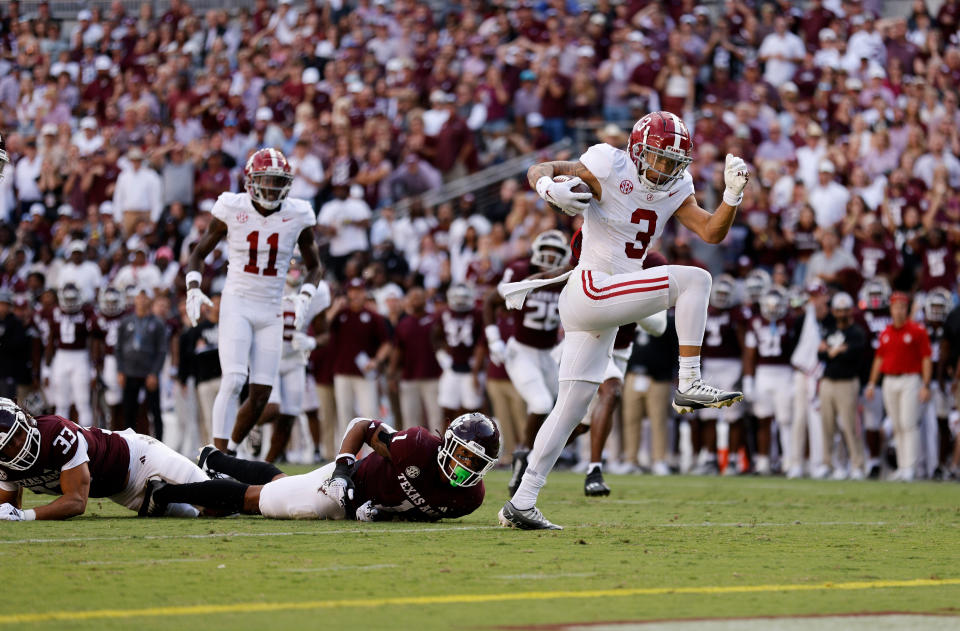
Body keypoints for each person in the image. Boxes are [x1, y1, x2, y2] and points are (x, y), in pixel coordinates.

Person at [498, 111, 748, 530]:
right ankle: (687, 380)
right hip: (591, 286)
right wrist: (548, 187)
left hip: (608, 302)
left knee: (569, 410)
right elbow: (539, 168)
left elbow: (710, 232)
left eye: (674, 162)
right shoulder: (607, 162)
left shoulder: (677, 186)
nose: (666, 169)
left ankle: (522, 501)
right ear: (637, 149)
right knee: (695, 280)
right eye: (659, 158)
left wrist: (732, 197)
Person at [185, 148, 322, 454]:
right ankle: (215, 459)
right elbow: (197, 253)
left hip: (272, 307)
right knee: (234, 379)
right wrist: (193, 286)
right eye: (266, 180)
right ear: (250, 180)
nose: (272, 187)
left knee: (262, 393)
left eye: (278, 181)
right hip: (238, 301)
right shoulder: (231, 207)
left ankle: (230, 450)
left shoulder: (299, 213)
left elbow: (315, 265)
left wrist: (305, 296)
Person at [140, 413, 501, 522]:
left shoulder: (470, 499)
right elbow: (361, 425)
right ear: (447, 443)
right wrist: (342, 473)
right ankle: (165, 493)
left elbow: (421, 510)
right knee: (256, 500)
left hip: (362, 502)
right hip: (341, 488)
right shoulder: (419, 446)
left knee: (283, 481)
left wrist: (383, 514)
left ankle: (215, 459)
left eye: (475, 461)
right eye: (462, 454)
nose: (463, 467)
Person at [0, 397, 207, 520]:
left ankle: (216, 464)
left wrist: (25, 516)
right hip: (123, 493)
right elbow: (8, 511)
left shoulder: (55, 433)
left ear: (25, 419)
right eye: (8, 444)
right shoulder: (6, 467)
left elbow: (76, 501)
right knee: (197, 515)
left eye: (18, 433)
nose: (18, 444)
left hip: (140, 458)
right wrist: (13, 514)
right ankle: (164, 494)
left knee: (218, 505)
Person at [483, 229, 569, 496]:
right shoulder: (520, 270)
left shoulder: (566, 276)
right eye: (547, 249)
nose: (550, 256)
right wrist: (493, 338)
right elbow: (490, 301)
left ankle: (537, 459)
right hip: (521, 351)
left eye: (557, 252)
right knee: (541, 403)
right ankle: (522, 456)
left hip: (548, 353)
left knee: (562, 407)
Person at [865, 292, 932, 481]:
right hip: (889, 380)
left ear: (907, 309)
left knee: (908, 423)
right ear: (891, 309)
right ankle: (902, 466)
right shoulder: (886, 332)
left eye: (902, 307)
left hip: (910, 379)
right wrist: (872, 382)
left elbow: (926, 359)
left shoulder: (917, 331)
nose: (899, 311)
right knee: (896, 424)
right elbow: (879, 359)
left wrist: (925, 384)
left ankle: (910, 466)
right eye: (896, 307)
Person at [742, 287, 800, 475]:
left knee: (785, 420)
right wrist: (748, 379)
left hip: (784, 373)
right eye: (770, 305)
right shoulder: (756, 322)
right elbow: (750, 354)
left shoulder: (790, 322)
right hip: (763, 373)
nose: (773, 309)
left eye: (777, 305)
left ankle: (789, 461)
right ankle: (764, 461)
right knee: (763, 419)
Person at [817, 292, 868, 480]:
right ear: (833, 311)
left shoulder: (856, 332)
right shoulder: (829, 331)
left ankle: (857, 464)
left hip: (847, 382)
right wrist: (835, 351)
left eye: (845, 310)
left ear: (851, 311)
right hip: (828, 382)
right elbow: (820, 355)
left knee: (850, 426)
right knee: (827, 425)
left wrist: (832, 351)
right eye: (838, 310)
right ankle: (828, 463)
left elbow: (853, 354)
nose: (841, 314)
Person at [116, 288, 167, 439]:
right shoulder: (126, 322)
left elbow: (162, 350)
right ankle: (129, 446)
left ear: (150, 301)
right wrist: (120, 370)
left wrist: (155, 373)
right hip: (130, 372)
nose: (142, 300)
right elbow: (118, 348)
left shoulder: (157, 323)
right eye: (139, 297)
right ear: (135, 300)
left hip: (148, 372)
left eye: (145, 298)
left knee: (155, 411)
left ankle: (160, 444)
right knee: (129, 411)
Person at [44, 283, 96, 429]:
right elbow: (50, 341)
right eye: (67, 299)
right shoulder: (55, 312)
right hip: (61, 357)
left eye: (73, 299)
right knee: (61, 403)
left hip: (80, 357)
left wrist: (93, 368)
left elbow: (91, 342)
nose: (70, 303)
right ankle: (63, 437)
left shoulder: (86, 313)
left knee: (82, 402)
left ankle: (89, 438)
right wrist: (47, 369)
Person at [435, 284, 484, 428]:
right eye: (458, 298)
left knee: (473, 411)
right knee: (447, 408)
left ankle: (473, 441)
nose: (461, 302)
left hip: (471, 368)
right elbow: (435, 337)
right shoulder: (443, 313)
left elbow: (482, 342)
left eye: (464, 298)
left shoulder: (477, 314)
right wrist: (441, 355)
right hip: (451, 368)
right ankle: (446, 440)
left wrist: (477, 367)